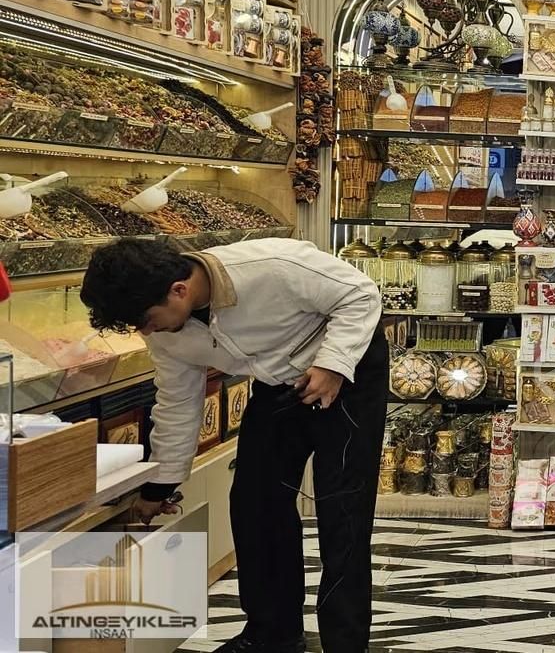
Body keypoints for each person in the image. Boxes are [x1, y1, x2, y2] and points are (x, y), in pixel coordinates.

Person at [79, 237, 385, 653]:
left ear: (179, 290)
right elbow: (176, 402)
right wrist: (158, 487)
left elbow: (361, 294)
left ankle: (346, 643)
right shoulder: (166, 331)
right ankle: (272, 634)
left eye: (147, 320)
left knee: (343, 510)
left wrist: (333, 364)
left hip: (348, 372)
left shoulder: (272, 265)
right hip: (277, 384)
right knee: (254, 504)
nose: (146, 331)